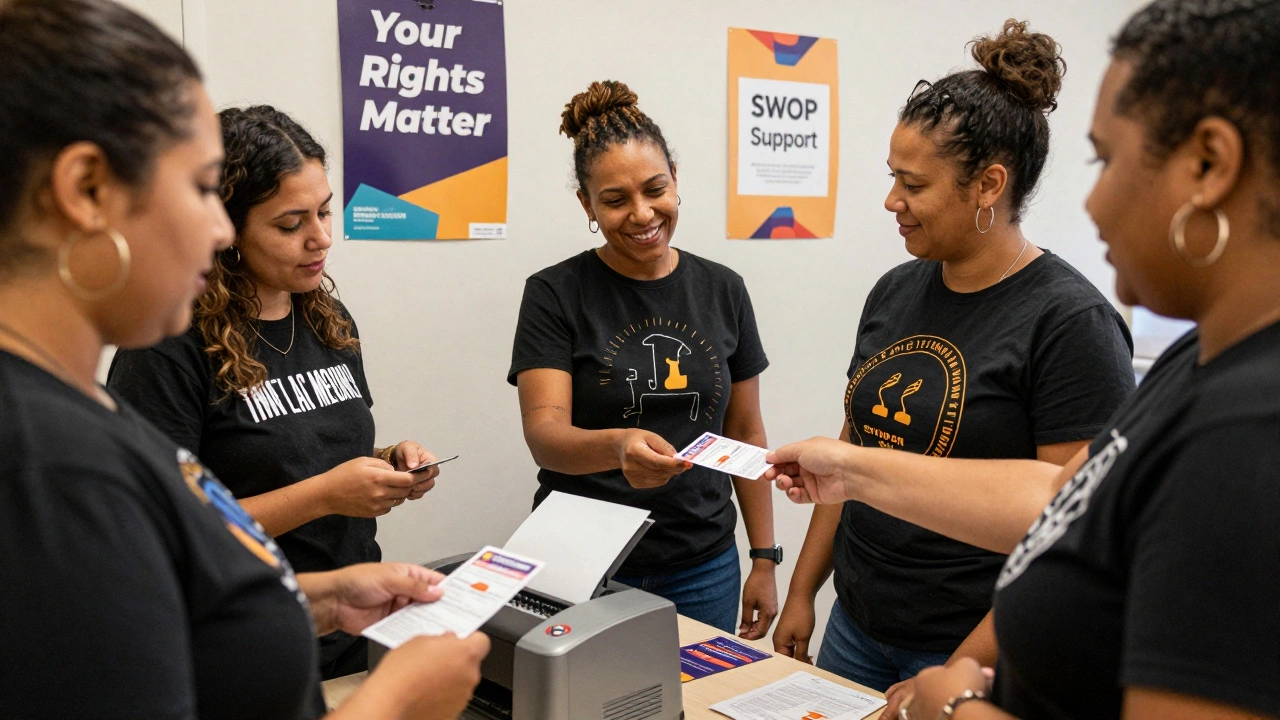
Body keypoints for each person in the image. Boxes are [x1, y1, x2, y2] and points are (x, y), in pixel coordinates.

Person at [767, 1, 1280, 718]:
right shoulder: (1193, 364)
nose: (1092, 203)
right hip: (877, 627)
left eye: (1105, 160)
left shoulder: (1245, 430)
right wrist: (847, 474)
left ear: (1210, 164)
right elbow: (1058, 501)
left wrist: (953, 697)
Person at [0, 1, 487, 717]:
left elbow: (179, 587)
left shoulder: (77, 413)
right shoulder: (50, 465)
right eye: (201, 188)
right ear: (87, 190)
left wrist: (319, 597)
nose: (220, 230)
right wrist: (397, 702)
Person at [771, 19, 1135, 699]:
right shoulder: (895, 290)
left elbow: (1069, 536)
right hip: (856, 625)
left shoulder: (1071, 323)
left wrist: (951, 675)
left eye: (913, 184)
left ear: (988, 185)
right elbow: (849, 453)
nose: (892, 202)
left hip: (970, 649)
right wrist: (802, 591)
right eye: (893, 178)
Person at [108, 105, 441, 679]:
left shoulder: (327, 320)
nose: (321, 238)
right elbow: (163, 528)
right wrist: (326, 495)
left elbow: (300, 451)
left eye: (325, 211)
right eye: (290, 225)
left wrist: (387, 464)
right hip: (241, 644)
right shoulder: (168, 345)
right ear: (227, 230)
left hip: (354, 626)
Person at [509, 80, 779, 637]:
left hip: (703, 564)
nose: (641, 213)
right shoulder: (554, 293)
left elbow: (745, 432)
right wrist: (618, 445)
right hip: (583, 562)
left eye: (655, 189)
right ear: (586, 204)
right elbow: (545, 436)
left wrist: (764, 558)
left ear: (675, 179)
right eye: (614, 200)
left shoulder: (724, 289)